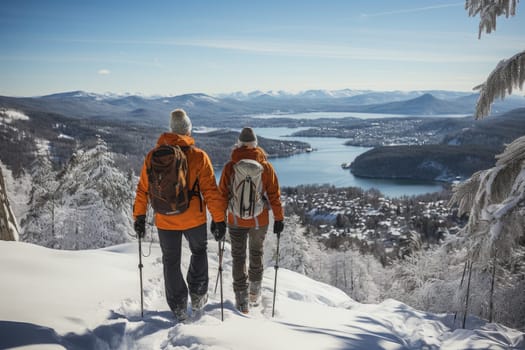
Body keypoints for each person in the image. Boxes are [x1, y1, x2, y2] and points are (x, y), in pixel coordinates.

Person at [133, 108, 226, 321]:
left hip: (165, 219)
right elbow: (211, 191)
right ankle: (198, 292)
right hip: (193, 218)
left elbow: (142, 190)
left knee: (171, 261)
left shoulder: (152, 157)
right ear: (188, 131)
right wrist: (219, 220)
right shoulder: (198, 157)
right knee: (199, 251)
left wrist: (139, 217)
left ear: (170, 130)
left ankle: (178, 306)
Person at [217, 127, 284, 313]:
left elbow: (221, 195)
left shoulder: (230, 167)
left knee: (238, 257)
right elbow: (274, 195)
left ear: (238, 144)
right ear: (256, 145)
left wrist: (218, 219)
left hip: (235, 219)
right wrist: (279, 218)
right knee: (256, 253)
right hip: (259, 220)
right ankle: (254, 292)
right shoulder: (266, 167)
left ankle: (241, 299)